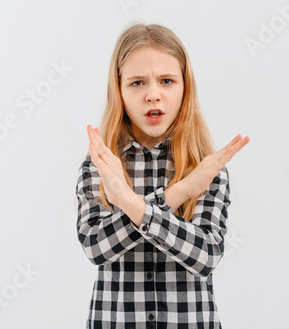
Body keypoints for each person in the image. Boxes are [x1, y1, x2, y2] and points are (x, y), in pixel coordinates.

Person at [75, 22, 250, 329]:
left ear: (185, 88)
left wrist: (129, 202)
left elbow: (206, 257)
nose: (153, 95)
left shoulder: (205, 168)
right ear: (119, 90)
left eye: (166, 81)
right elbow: (95, 248)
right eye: (137, 83)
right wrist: (178, 193)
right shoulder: (99, 165)